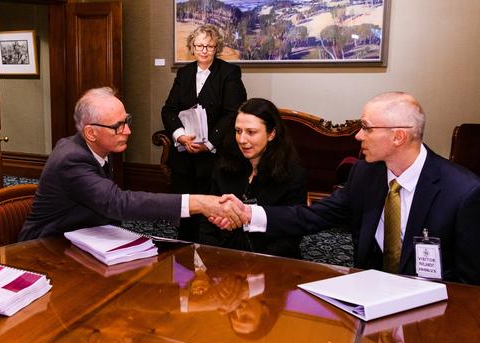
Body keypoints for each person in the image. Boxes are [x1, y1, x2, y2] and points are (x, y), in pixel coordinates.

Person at [213, 92, 480, 285]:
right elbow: (313, 216)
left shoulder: (463, 192)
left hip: (431, 311)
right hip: (369, 293)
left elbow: (471, 284)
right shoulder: (365, 174)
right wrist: (249, 215)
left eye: (366, 128)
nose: (358, 135)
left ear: (398, 137)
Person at [18, 87, 245, 241]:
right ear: (91, 132)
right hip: (45, 249)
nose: (127, 131)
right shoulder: (71, 159)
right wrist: (199, 202)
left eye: (126, 121)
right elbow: (118, 202)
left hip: (83, 238)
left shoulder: (97, 148)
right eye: (118, 126)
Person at [161, 24, 247, 241]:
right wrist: (180, 135)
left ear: (216, 47)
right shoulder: (184, 73)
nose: (204, 50)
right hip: (184, 153)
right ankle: (184, 252)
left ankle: (210, 253)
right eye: (199, 45)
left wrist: (208, 143)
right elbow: (169, 109)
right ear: (192, 46)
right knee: (185, 210)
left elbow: (232, 113)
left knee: (212, 215)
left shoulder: (229, 73)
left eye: (209, 46)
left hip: (215, 156)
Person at [199, 98, 307, 258]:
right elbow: (206, 225)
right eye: (238, 131)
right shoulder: (223, 167)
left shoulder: (293, 175)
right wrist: (214, 258)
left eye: (251, 132)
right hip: (224, 260)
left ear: (271, 134)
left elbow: (290, 237)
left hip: (272, 264)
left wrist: (252, 268)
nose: (242, 140)